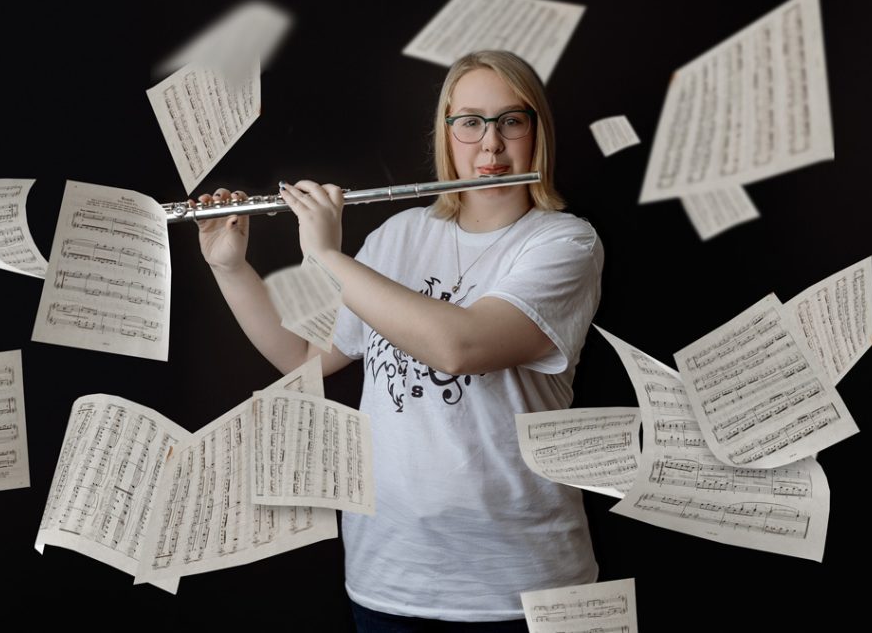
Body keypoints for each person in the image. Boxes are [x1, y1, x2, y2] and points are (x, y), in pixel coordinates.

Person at [195, 50, 604, 631]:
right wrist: (230, 268)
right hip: (389, 575)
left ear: (537, 132)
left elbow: (460, 348)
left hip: (520, 587)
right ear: (446, 133)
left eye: (511, 121)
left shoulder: (565, 244)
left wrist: (327, 255)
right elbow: (306, 357)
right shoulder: (399, 236)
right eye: (470, 122)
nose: (490, 146)